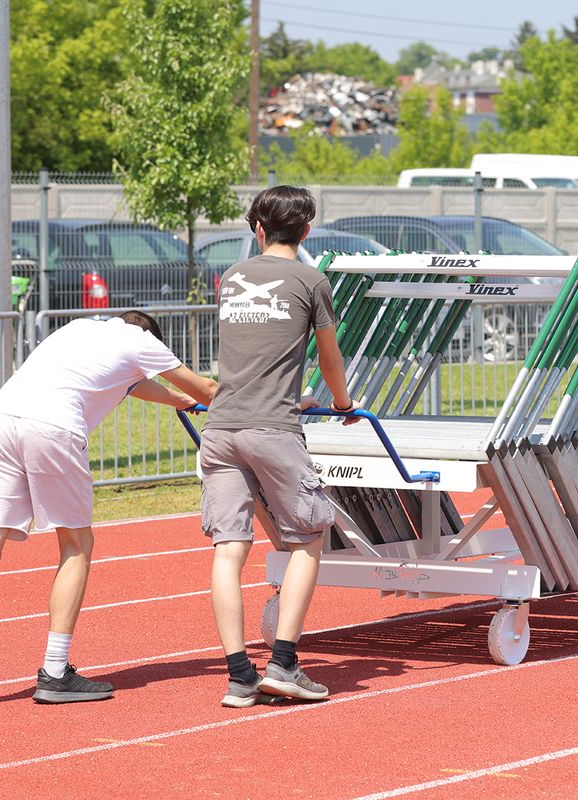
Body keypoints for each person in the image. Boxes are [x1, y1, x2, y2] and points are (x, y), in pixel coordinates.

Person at [0, 310, 217, 713]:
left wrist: (176, 399)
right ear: (149, 336)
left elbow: (134, 386)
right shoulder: (143, 342)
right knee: (77, 544)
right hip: (52, 426)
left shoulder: (82, 329)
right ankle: (54, 670)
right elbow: (206, 387)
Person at [201, 185, 359, 709]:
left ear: (258, 230)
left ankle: (238, 673)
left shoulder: (232, 278)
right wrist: (340, 400)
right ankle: (285, 663)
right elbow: (329, 358)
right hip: (274, 428)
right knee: (309, 538)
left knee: (229, 548)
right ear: (307, 231)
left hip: (221, 427)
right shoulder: (312, 280)